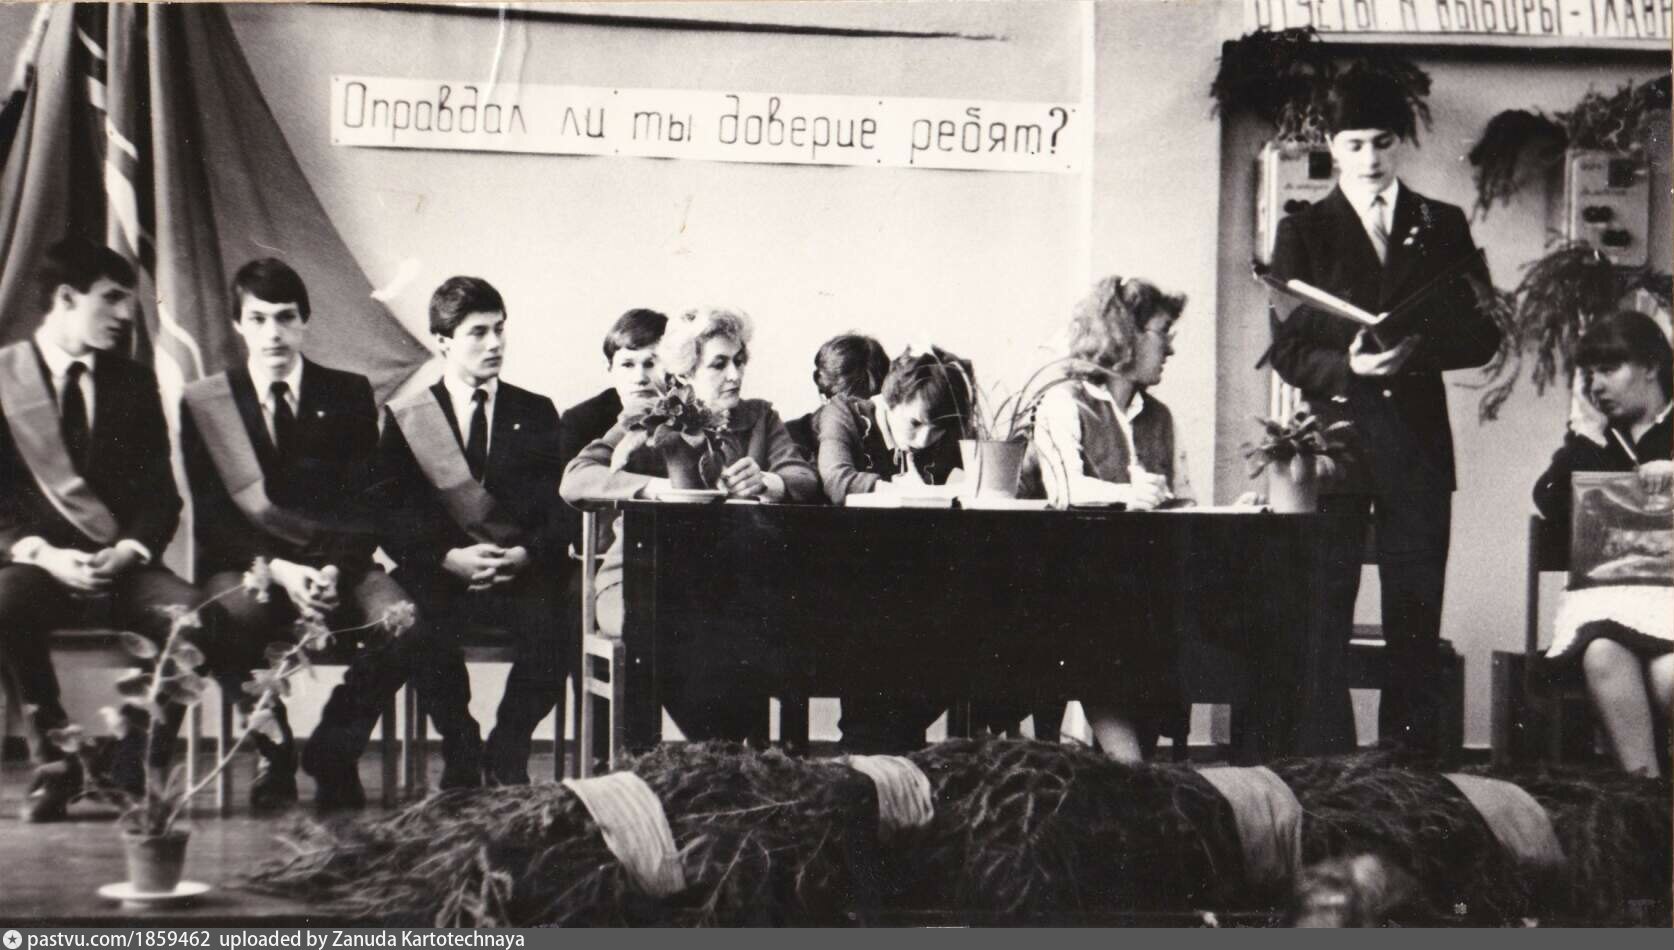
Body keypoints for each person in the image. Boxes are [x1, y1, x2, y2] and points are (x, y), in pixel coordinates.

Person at [1266, 69, 1502, 761]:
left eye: (1382, 142)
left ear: (1400, 143)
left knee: (1415, 617)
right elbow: (1287, 350)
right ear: (1333, 147)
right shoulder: (1304, 230)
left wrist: (1417, 349)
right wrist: (1350, 370)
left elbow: (1483, 334)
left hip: (1417, 449)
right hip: (1336, 447)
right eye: (1355, 144)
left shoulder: (1442, 223)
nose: (1369, 158)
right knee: (1323, 614)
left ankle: (1409, 772)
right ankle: (1327, 768)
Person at [180, 258, 441, 810]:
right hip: (253, 568)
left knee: (405, 626)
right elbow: (212, 516)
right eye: (258, 319)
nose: (272, 333)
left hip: (337, 567)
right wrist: (279, 570)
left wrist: (331, 569)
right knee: (220, 619)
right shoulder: (206, 401)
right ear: (238, 324)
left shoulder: (347, 392)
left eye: (285, 317)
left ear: (304, 321)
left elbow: (364, 503)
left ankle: (333, 751)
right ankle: (273, 751)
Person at [0, 238, 223, 821]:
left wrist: (128, 550)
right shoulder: (3, 378)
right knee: (2, 602)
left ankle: (130, 765)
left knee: (192, 620)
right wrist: (43, 554)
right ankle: (55, 761)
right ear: (66, 298)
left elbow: (161, 497)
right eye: (112, 298)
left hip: (124, 567)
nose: (126, 313)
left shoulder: (133, 382)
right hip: (37, 567)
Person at [560, 306, 818, 742]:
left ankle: (726, 758)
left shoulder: (759, 418)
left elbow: (803, 478)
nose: (734, 374)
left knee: (735, 624)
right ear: (684, 373)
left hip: (722, 586)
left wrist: (768, 481)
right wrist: (654, 488)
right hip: (635, 581)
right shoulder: (650, 417)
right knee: (685, 627)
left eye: (739, 361)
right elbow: (576, 478)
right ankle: (715, 755)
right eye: (719, 364)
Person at [374, 277, 566, 786]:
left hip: (520, 571)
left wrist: (526, 553)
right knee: (415, 617)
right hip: (444, 571)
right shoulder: (409, 417)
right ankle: (460, 745)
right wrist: (447, 556)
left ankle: (509, 745)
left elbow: (559, 509)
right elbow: (391, 512)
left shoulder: (537, 412)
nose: (495, 343)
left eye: (500, 329)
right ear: (443, 341)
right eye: (478, 332)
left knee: (564, 615)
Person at [1018, 275, 1195, 761]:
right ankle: (1130, 766)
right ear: (1125, 334)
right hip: (1066, 586)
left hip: (1138, 587)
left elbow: (1182, 500)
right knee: (1105, 628)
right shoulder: (1063, 403)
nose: (1170, 348)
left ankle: (1131, 766)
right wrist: (1128, 495)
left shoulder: (1161, 417)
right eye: (1163, 332)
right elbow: (1065, 490)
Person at [814, 345, 976, 753]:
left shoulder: (940, 431)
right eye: (915, 424)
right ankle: (881, 756)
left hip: (920, 590)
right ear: (891, 397)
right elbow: (837, 480)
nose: (925, 439)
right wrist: (900, 489)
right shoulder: (845, 414)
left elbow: (976, 480)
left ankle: (877, 757)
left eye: (937, 430)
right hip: (851, 585)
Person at [1531, 310, 1672, 776]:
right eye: (1590, 374)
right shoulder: (1597, 438)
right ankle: (1644, 795)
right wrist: (1586, 442)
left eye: (1609, 369)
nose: (1597, 385)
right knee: (1602, 654)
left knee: (1670, 676)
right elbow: (1549, 501)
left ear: (1651, 366)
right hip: (1610, 608)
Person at [784, 332, 889, 462]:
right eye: (848, 408)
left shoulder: (896, 439)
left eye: (872, 406)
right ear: (820, 384)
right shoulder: (788, 441)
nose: (863, 417)